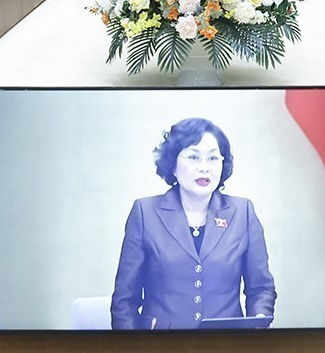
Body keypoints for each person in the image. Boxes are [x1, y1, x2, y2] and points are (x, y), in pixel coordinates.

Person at [111, 117, 275, 330]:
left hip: (227, 343)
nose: (204, 168)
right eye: (193, 157)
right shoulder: (145, 213)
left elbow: (261, 289)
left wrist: (258, 322)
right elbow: (124, 301)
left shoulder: (243, 213)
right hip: (161, 345)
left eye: (213, 158)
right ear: (173, 165)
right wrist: (131, 348)